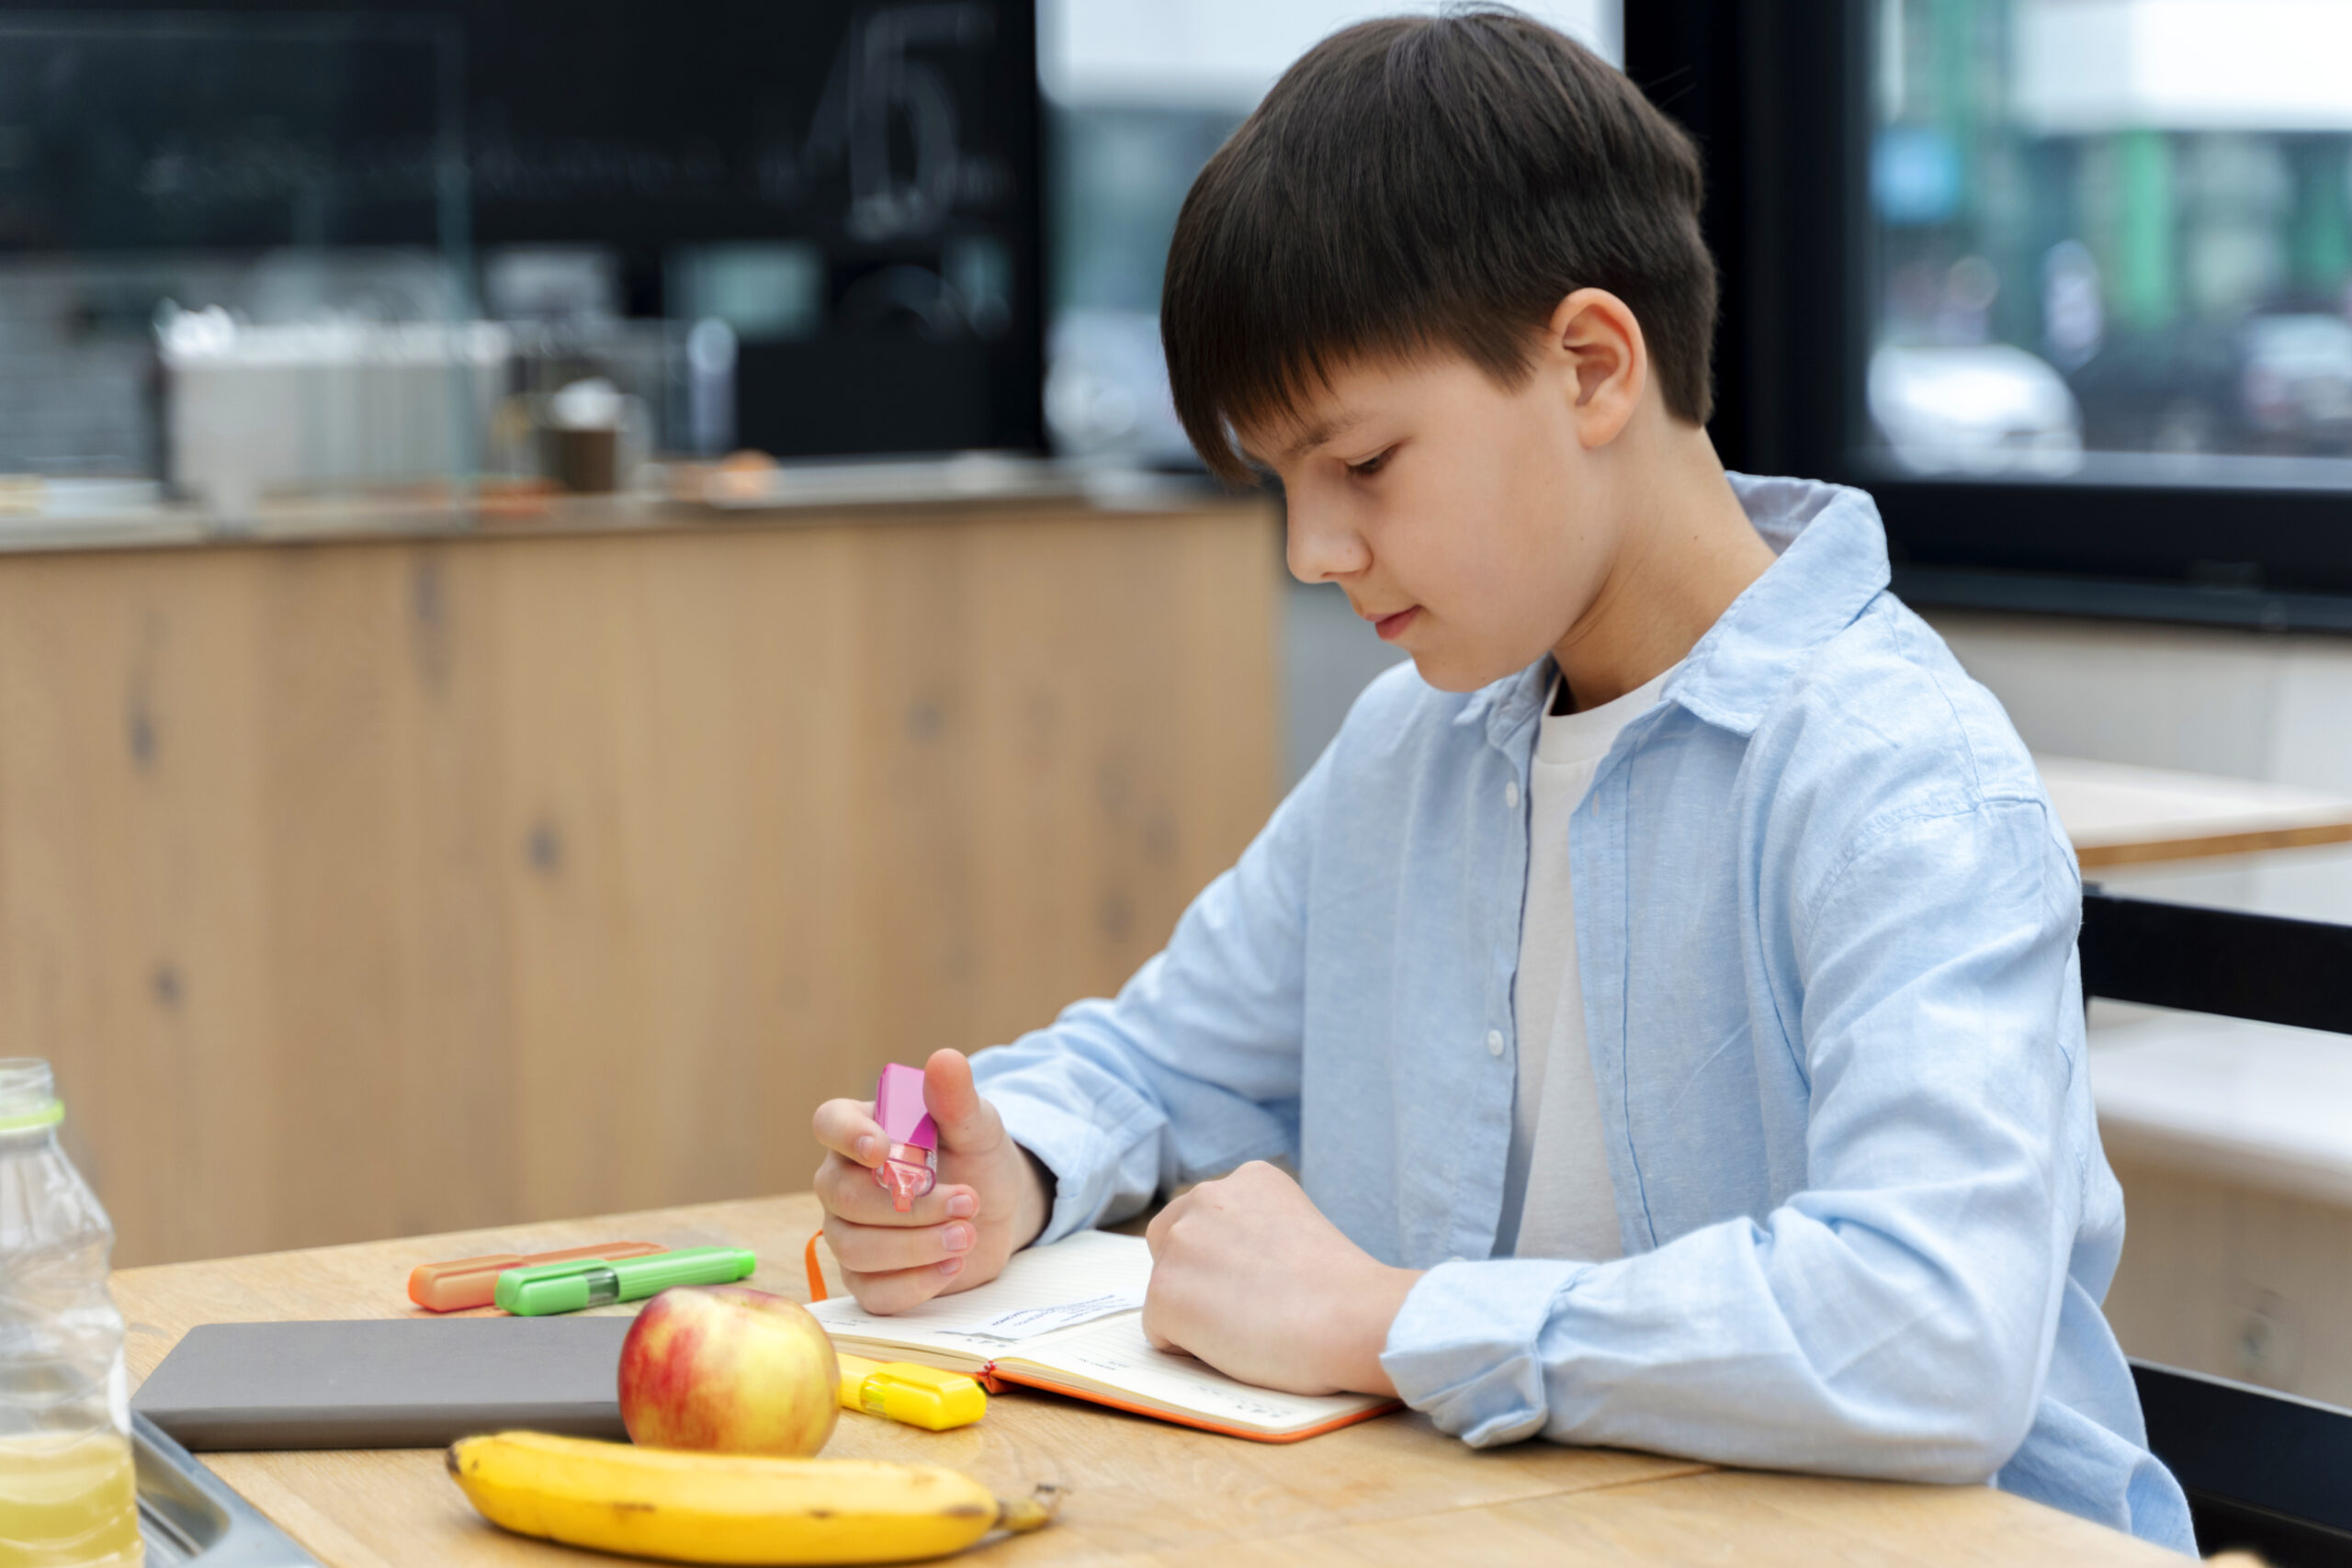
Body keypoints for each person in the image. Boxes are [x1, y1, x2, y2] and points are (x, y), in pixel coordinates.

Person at [808, 8, 2192, 1550]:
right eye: (1285, 485)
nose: (1313, 552)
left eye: (1365, 466)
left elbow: (1930, 1335)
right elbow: (1158, 1063)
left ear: (1592, 367)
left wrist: (1389, 1318)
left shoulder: (1893, 780)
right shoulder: (1416, 745)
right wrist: (1006, 1164)